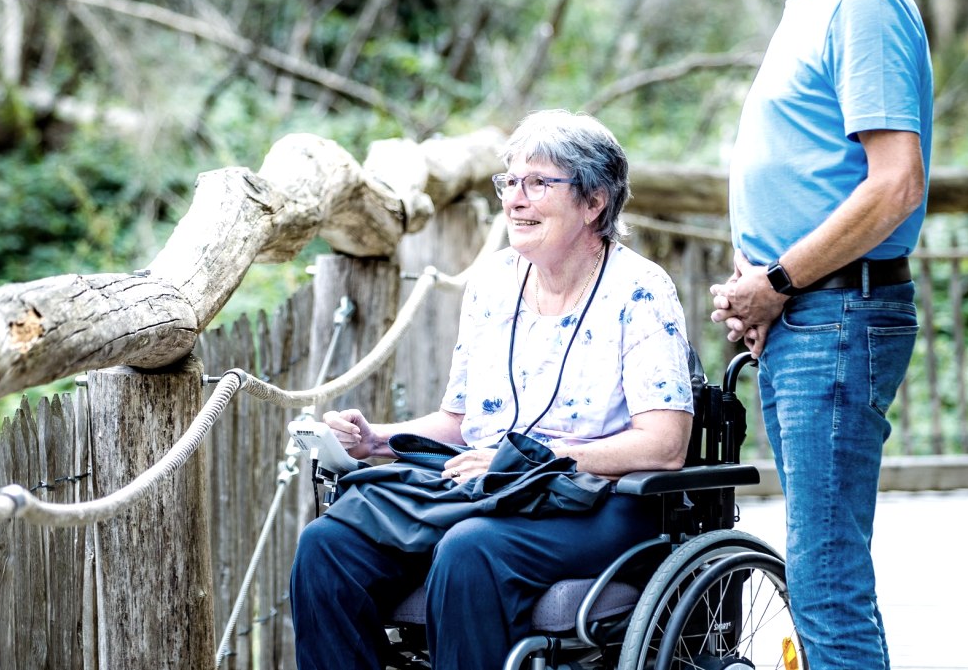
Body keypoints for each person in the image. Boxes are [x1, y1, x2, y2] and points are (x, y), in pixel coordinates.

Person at [290, 109, 697, 670]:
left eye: (538, 183)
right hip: (488, 488)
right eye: (510, 182)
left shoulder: (641, 290)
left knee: (471, 549)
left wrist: (531, 459)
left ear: (594, 202)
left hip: (601, 499)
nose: (515, 199)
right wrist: (375, 440)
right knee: (328, 547)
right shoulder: (492, 283)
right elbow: (460, 424)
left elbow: (665, 444)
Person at [709, 0, 933, 670]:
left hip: (838, 318)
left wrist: (779, 276)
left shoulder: (866, 5)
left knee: (826, 576)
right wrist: (768, 285)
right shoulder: (817, 4)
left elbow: (894, 184)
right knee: (819, 570)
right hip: (810, 315)